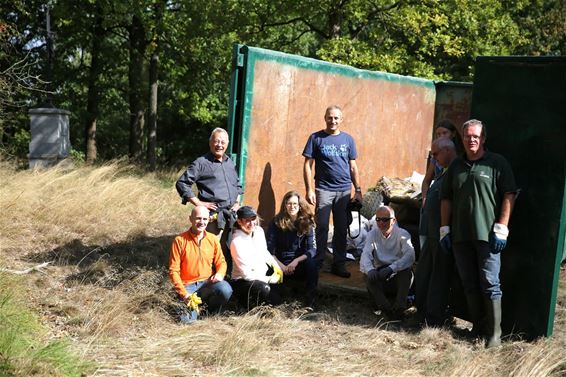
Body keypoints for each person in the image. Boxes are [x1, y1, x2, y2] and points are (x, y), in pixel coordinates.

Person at [440, 119, 518, 348]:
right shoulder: (455, 166)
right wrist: (444, 228)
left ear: (483, 139)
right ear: (461, 139)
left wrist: (502, 228)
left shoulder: (497, 163)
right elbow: (446, 198)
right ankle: (478, 327)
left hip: (488, 236)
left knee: (490, 282)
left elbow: (509, 194)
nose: (471, 140)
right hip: (460, 236)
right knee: (469, 283)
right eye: (467, 136)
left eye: (475, 136)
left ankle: (495, 335)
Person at [303, 105, 362, 278]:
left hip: (344, 190)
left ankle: (339, 264)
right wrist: (309, 189)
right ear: (325, 118)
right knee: (321, 225)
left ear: (341, 120)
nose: (333, 121)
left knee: (341, 228)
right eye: (330, 117)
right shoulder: (316, 138)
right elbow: (308, 165)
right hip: (323, 189)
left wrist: (357, 190)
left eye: (336, 118)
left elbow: (353, 166)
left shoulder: (348, 140)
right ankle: (319, 262)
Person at [176, 127, 243, 270]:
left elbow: (238, 185)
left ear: (227, 143)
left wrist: (237, 202)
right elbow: (182, 183)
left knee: (227, 251)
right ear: (210, 142)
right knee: (209, 252)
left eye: (223, 142)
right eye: (216, 141)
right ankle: (204, 284)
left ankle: (225, 281)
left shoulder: (229, 162)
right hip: (213, 217)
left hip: (231, 215)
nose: (219, 144)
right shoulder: (201, 163)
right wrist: (199, 203)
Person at [415, 138, 458, 327]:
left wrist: (445, 229)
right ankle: (422, 312)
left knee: (439, 276)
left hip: (441, 233)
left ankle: (433, 318)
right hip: (431, 231)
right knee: (425, 272)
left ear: (448, 150)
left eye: (435, 154)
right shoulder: (444, 170)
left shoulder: (457, 170)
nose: (433, 158)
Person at [168, 205, 233, 324]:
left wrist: (219, 274)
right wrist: (184, 294)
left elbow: (221, 262)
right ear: (190, 219)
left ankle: (208, 311)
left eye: (204, 219)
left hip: (207, 283)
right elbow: (173, 271)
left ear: (208, 220)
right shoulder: (180, 240)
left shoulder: (213, 239)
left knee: (225, 289)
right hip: (188, 287)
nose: (201, 222)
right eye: (198, 218)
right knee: (187, 322)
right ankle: (191, 310)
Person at [360, 206, 415, 320]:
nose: (381, 223)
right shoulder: (372, 234)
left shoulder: (403, 234)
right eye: (378, 219)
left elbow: (410, 257)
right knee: (367, 276)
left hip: (397, 274)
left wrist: (392, 268)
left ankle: (400, 308)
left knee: (407, 272)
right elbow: (365, 255)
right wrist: (370, 270)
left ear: (393, 221)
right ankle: (387, 310)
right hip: (381, 274)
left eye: (385, 219)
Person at [266, 191, 318, 307]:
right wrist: (282, 266)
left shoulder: (307, 223)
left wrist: (296, 261)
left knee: (312, 263)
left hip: (299, 263)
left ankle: (310, 302)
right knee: (266, 264)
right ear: (285, 205)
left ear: (300, 206)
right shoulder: (276, 222)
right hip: (280, 264)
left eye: (295, 204)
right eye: (289, 203)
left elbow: (312, 250)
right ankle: (271, 302)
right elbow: (269, 250)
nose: (292, 207)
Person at [230, 206, 283, 309]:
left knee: (278, 298)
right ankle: (246, 306)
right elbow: (246, 274)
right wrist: (268, 278)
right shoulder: (237, 242)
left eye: (253, 219)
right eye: (247, 221)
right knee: (264, 289)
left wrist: (278, 269)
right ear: (239, 222)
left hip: (261, 276)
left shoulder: (259, 231)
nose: (252, 223)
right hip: (242, 281)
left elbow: (265, 253)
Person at [421, 120, 464, 206]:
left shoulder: (461, 156)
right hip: (437, 196)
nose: (441, 136)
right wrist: (425, 198)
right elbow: (426, 180)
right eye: (438, 134)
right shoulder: (435, 157)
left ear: (453, 134)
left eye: (445, 133)